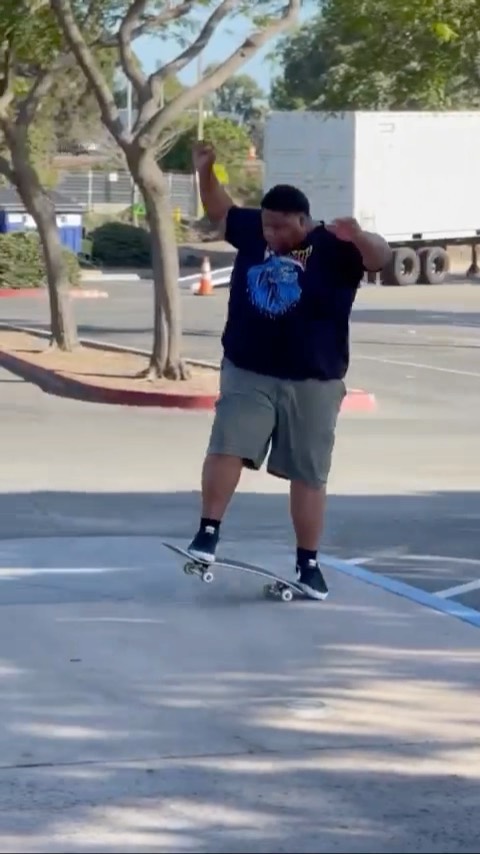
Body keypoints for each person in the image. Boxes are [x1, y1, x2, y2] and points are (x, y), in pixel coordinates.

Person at [187, 141, 392, 600]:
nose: (272, 234)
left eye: (281, 227)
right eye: (267, 225)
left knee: (309, 473)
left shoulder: (335, 247)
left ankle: (308, 566)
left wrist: (359, 235)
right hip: (249, 369)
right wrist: (205, 171)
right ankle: (208, 532)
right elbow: (221, 211)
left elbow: (381, 257)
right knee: (228, 444)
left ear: (304, 222)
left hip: (314, 380)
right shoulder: (255, 231)